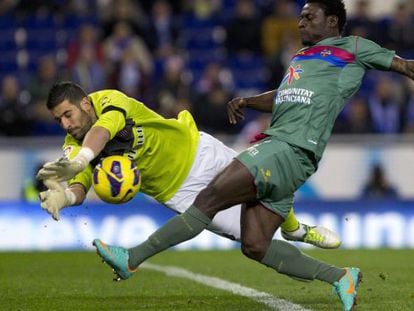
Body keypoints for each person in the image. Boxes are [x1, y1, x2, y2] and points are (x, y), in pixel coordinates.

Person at [39, 0, 414, 308]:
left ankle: (132, 258)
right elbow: (285, 96)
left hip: (276, 148)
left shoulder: (353, 48)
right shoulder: (301, 58)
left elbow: (403, 66)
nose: (299, 22)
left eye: (308, 16)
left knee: (215, 196)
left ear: (332, 21)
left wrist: (82, 160)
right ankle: (339, 276)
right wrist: (248, 100)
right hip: (250, 156)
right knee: (254, 245)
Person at [35, 81, 340, 250]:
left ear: (85, 103)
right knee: (251, 238)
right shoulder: (72, 143)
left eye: (67, 114)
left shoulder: (109, 101)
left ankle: (297, 229)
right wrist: (68, 197)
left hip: (197, 149)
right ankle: (305, 251)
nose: (65, 123)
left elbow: (104, 130)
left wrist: (81, 159)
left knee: (260, 183)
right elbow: (82, 181)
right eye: (58, 120)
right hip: (179, 191)